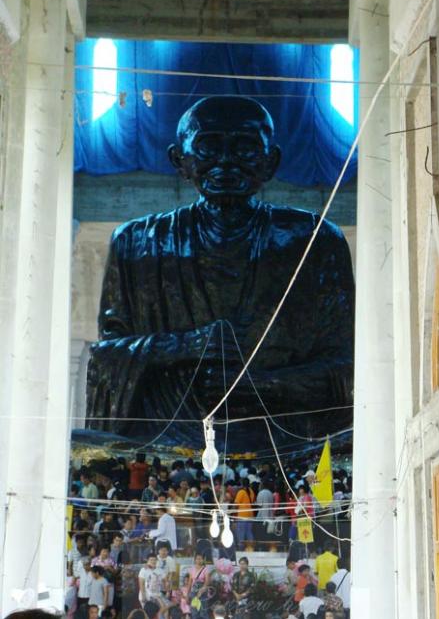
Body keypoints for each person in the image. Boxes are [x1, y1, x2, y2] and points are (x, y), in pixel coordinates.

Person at [86, 96, 354, 449]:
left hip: (287, 444)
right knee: (84, 445)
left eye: (244, 149)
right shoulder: (137, 242)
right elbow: (108, 359)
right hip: (165, 443)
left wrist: (260, 386)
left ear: (271, 161)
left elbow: (348, 370)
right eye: (209, 147)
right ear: (179, 160)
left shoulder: (315, 240)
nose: (226, 161)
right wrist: (185, 345)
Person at [233, 478, 255, 548]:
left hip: (242, 515)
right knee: (249, 532)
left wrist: (233, 515)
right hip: (250, 515)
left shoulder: (241, 492)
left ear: (242, 484)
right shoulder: (251, 491)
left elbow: (236, 505)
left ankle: (241, 548)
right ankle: (251, 547)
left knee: (240, 533)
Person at [188, 553, 211, 619]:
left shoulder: (206, 569)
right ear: (195, 560)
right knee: (194, 611)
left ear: (203, 560)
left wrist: (202, 590)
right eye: (197, 559)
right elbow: (190, 582)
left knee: (203, 610)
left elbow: (207, 581)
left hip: (203, 592)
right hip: (193, 592)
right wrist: (188, 594)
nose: (199, 560)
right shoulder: (192, 569)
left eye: (201, 559)